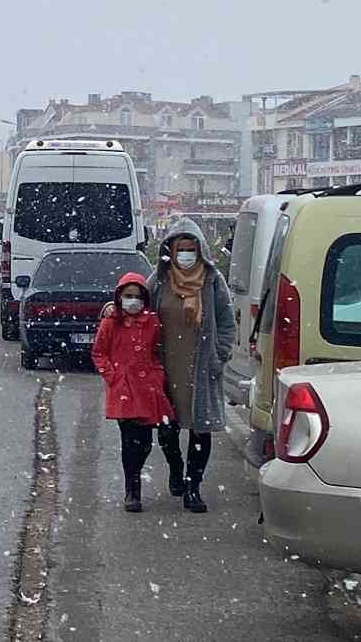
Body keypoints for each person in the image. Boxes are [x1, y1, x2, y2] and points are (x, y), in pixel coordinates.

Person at [147, 217, 236, 514]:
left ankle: (192, 486)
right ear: (170, 250)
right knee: (167, 429)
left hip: (201, 367)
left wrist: (219, 354)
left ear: (199, 250)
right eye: (179, 248)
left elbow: (226, 321)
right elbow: (134, 306)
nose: (185, 254)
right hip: (166, 366)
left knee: (201, 429)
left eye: (190, 249)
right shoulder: (159, 279)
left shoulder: (212, 281)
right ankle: (175, 468)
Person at [91, 272, 175, 513]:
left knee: (146, 443)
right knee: (129, 442)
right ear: (119, 297)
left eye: (137, 297)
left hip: (147, 388)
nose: (133, 301)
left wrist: (157, 375)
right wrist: (113, 376)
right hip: (124, 391)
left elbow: (157, 351)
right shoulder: (110, 322)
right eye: (128, 296)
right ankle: (132, 490)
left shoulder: (152, 322)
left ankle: (140, 482)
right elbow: (99, 352)